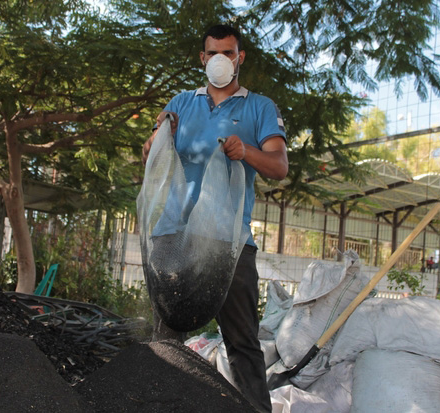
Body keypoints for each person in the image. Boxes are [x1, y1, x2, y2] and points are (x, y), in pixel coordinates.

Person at [142, 24, 288, 413]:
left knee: (242, 342)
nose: (221, 60)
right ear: (203, 59)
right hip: (174, 235)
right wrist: (155, 141)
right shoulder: (181, 103)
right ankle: (161, 405)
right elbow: (153, 151)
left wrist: (248, 152)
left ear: (239, 58)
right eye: (213, 53)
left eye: (229, 52)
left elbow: (278, 166)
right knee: (167, 339)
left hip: (228, 241)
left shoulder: (259, 107)